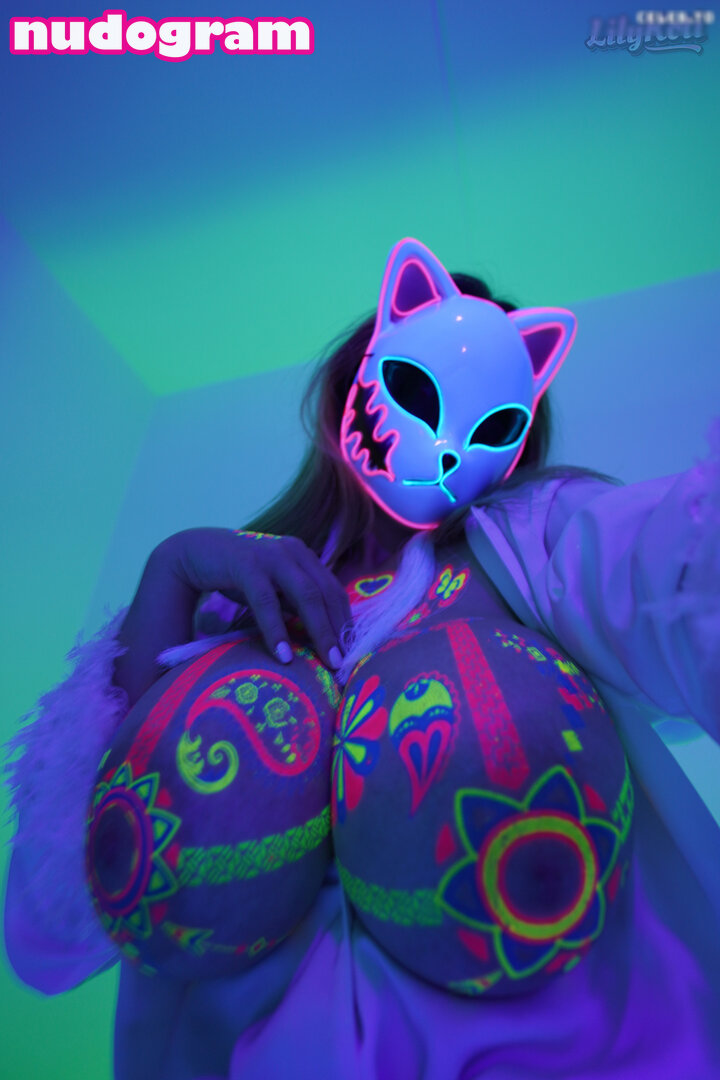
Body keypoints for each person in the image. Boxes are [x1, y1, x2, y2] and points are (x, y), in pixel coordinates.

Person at [4, 237, 720, 1080]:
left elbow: (680, 577)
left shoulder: (542, 546)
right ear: (344, 395)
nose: (443, 443)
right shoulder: (224, 618)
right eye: (415, 386)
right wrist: (169, 576)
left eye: (491, 419)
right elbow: (53, 927)